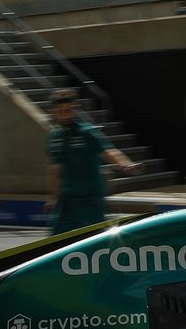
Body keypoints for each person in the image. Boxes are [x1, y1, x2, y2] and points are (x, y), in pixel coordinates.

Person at [46, 88, 139, 234]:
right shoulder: (54, 136)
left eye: (68, 110)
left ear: (75, 109)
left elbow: (109, 151)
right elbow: (54, 170)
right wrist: (53, 197)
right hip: (66, 200)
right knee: (57, 240)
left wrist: (125, 164)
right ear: (53, 112)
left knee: (94, 238)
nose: (65, 114)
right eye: (60, 110)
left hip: (90, 199)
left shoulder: (87, 132)